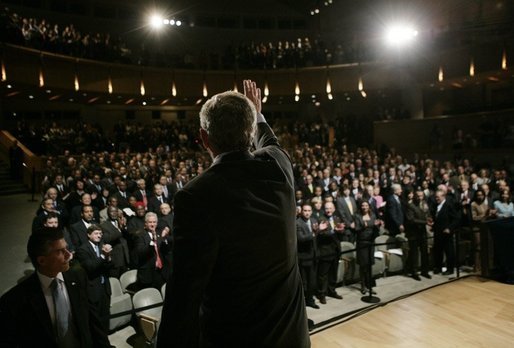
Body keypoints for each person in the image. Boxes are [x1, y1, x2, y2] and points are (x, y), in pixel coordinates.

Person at [157, 80, 310, 347]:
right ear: (250, 131)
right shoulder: (279, 165)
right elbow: (269, 140)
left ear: (204, 138)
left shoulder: (195, 195)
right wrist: (258, 114)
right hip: (292, 338)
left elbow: (184, 293)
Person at [0, 227, 111, 347]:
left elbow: (93, 321)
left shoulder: (78, 277)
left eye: (66, 249)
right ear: (42, 260)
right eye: (60, 251)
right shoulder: (15, 301)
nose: (69, 255)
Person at [75, 225, 113, 333]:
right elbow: (90, 267)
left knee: (106, 318)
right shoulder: (82, 249)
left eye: (100, 234)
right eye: (96, 233)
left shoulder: (102, 246)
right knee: (96, 321)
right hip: (93, 289)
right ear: (89, 234)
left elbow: (110, 267)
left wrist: (109, 258)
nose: (99, 236)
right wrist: (103, 256)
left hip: (104, 287)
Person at [133, 212, 172, 290]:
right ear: (145, 223)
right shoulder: (139, 235)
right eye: (150, 222)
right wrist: (152, 241)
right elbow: (141, 253)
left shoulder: (159, 233)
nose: (152, 224)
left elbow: (166, 250)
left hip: (161, 272)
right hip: (148, 273)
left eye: (154, 222)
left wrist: (165, 239)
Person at [316, 201, 344, 304]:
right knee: (323, 274)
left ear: (334, 209)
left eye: (330, 208)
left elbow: (340, 234)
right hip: (325, 251)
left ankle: (331, 291)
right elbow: (322, 234)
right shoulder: (321, 219)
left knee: (333, 273)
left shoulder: (336, 218)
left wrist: (341, 231)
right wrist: (334, 231)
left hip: (336, 250)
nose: (328, 210)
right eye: (326, 208)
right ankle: (321, 294)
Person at [430, 189, 460, 275]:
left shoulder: (449, 205)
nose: (436, 199)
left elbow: (456, 218)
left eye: (438, 197)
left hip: (446, 232)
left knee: (449, 251)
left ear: (443, 196)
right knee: (438, 251)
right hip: (437, 232)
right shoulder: (436, 206)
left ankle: (450, 269)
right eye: (436, 197)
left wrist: (449, 228)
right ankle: (438, 267)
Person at [404, 189, 432, 280]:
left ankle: (425, 271)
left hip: (422, 232)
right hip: (413, 233)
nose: (420, 198)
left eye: (421, 196)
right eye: (418, 196)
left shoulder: (424, 203)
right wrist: (425, 222)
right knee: (414, 253)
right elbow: (411, 220)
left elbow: (427, 213)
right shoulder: (410, 205)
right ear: (414, 196)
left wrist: (429, 218)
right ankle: (414, 272)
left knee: (424, 252)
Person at [354, 201, 381, 294]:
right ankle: (362, 286)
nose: (364, 207)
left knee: (369, 265)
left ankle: (369, 286)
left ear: (369, 207)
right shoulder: (357, 216)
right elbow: (357, 228)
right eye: (363, 205)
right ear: (360, 207)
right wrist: (367, 225)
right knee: (363, 265)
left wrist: (375, 225)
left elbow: (375, 227)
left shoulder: (372, 215)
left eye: (366, 205)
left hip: (371, 242)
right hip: (362, 243)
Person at [296, 203, 319, 309]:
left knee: (312, 281)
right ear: (301, 212)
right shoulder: (297, 223)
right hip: (303, 257)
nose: (307, 213)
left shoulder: (314, 220)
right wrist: (314, 233)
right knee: (303, 282)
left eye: (309, 210)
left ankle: (310, 300)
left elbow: (318, 235)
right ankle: (301, 303)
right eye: (305, 210)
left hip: (313, 255)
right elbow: (301, 239)